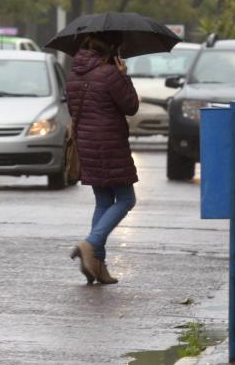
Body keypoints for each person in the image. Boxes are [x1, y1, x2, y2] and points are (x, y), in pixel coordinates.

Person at [67, 32, 140, 284]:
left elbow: (73, 109)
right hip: (109, 143)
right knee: (126, 198)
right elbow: (130, 105)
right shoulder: (109, 74)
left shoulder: (74, 73)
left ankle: (97, 266)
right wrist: (123, 75)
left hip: (86, 143)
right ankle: (91, 244)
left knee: (103, 200)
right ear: (111, 50)